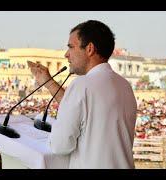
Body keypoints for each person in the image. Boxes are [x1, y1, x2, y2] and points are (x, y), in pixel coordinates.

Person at [28, 20, 137, 168]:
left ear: (90, 49)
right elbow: (85, 108)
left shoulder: (81, 85)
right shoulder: (124, 86)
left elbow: (60, 146)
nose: (66, 54)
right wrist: (49, 83)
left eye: (71, 47)